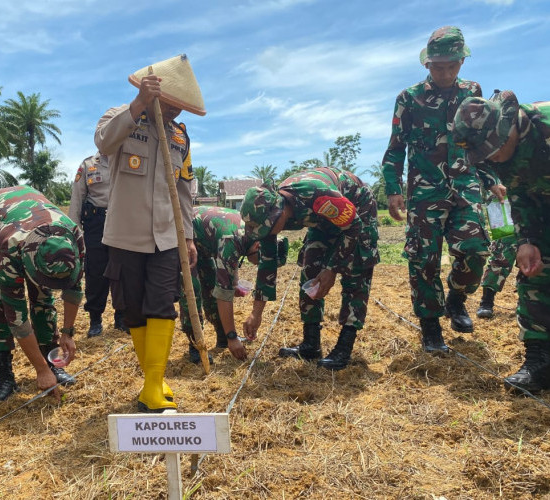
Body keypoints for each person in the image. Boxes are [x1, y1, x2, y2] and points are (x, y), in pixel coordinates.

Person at [381, 26, 502, 353]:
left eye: (453, 65)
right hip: (424, 195)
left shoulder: (472, 91)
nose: (446, 73)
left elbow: (482, 144)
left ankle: (456, 298)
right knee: (424, 260)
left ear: (462, 61)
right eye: (439, 66)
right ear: (427, 64)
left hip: (465, 188)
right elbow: (395, 149)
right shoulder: (409, 99)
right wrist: (393, 188)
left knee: (476, 250)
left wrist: (493, 180)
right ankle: (431, 327)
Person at [94, 54, 204, 412]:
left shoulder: (180, 137)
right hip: (126, 235)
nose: (177, 112)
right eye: (173, 103)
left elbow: (185, 190)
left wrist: (187, 236)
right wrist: (139, 104)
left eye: (183, 106)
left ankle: (154, 386)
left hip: (167, 237)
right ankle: (152, 381)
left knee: (162, 306)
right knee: (133, 312)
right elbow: (104, 143)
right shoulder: (120, 116)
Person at [453, 90, 550, 393]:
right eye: (484, 156)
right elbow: (520, 193)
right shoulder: (500, 153)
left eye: (492, 150)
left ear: (507, 128)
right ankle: (540, 362)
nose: (492, 159)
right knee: (534, 274)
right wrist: (528, 239)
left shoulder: (544, 127)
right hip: (541, 207)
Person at [241, 167, 379, 371]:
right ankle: (311, 344)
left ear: (279, 212)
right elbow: (267, 264)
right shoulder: (269, 216)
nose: (266, 233)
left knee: (355, 270)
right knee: (310, 268)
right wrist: (256, 313)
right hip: (322, 220)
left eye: (267, 228)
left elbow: (353, 226)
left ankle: (344, 347)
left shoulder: (316, 195)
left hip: (356, 210)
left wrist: (332, 268)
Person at [0, 186, 83, 402]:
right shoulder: (11, 245)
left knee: (43, 295)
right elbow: (16, 318)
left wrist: (68, 333)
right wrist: (40, 371)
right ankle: (3, 374)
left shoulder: (73, 235)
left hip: (33, 213)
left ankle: (51, 360)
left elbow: (74, 288)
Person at [179, 206, 287, 363]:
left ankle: (222, 336)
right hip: (185, 235)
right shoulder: (233, 237)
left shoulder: (253, 235)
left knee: (211, 286)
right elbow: (224, 294)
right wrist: (233, 336)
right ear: (258, 247)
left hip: (205, 243)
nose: (259, 266)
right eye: (261, 262)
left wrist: (233, 281)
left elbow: (231, 262)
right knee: (191, 291)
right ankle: (196, 345)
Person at [69, 152, 128, 337]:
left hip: (122, 222)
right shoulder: (87, 165)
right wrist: (75, 231)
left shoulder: (126, 160)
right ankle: (95, 319)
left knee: (122, 271)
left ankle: (121, 317)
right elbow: (77, 198)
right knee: (95, 271)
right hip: (96, 223)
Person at [477, 187, 518, 318]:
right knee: (503, 252)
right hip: (505, 196)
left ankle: (530, 302)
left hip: (539, 199)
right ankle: (486, 302)